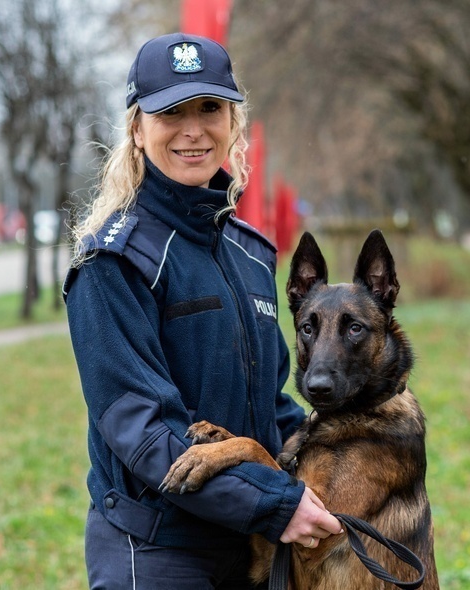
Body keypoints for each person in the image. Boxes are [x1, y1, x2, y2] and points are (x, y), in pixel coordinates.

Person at [63, 32, 343, 589]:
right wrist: (276, 505)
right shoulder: (113, 262)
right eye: (170, 111)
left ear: (233, 124)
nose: (193, 129)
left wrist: (352, 451)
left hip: (253, 549)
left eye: (210, 107)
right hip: (159, 550)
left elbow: (270, 410)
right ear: (138, 131)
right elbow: (145, 434)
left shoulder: (252, 254)